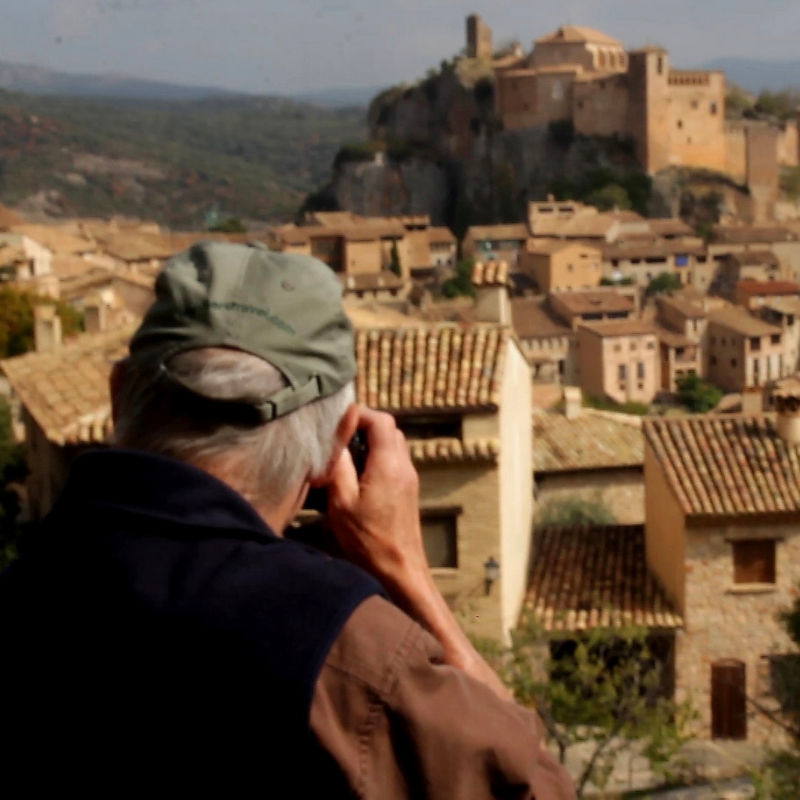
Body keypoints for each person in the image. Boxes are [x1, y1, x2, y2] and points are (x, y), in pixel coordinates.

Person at [0, 242, 574, 798]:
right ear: (336, 448)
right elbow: (533, 784)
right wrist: (408, 572)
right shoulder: (343, 652)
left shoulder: (31, 584)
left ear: (120, 394)